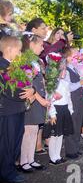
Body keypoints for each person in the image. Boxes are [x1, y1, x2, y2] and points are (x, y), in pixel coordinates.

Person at [0, 36, 36, 183]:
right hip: (8, 111)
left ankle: (9, 169)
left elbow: (25, 84)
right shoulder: (2, 66)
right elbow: (9, 91)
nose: (20, 54)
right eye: (19, 50)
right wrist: (27, 94)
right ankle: (7, 173)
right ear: (9, 49)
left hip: (17, 109)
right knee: (7, 143)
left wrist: (32, 89)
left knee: (15, 140)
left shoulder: (13, 66)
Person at [19, 34, 47, 173]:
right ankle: (23, 161)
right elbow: (27, 84)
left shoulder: (36, 60)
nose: (43, 48)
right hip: (31, 99)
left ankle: (31, 159)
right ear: (31, 45)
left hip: (39, 97)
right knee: (28, 130)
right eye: (41, 45)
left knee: (34, 129)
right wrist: (40, 98)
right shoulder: (25, 60)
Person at [43, 57, 74, 165]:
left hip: (65, 110)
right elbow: (49, 100)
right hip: (56, 111)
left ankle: (58, 155)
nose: (66, 71)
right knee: (54, 135)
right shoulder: (51, 85)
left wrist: (70, 109)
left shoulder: (65, 83)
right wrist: (52, 114)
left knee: (60, 134)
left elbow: (68, 97)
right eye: (64, 69)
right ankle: (52, 157)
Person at [63, 47, 83, 160]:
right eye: (75, 55)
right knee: (72, 124)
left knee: (78, 122)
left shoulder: (76, 68)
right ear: (68, 58)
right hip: (72, 100)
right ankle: (70, 150)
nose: (78, 56)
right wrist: (80, 82)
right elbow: (68, 87)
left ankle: (76, 147)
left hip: (78, 99)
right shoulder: (66, 70)